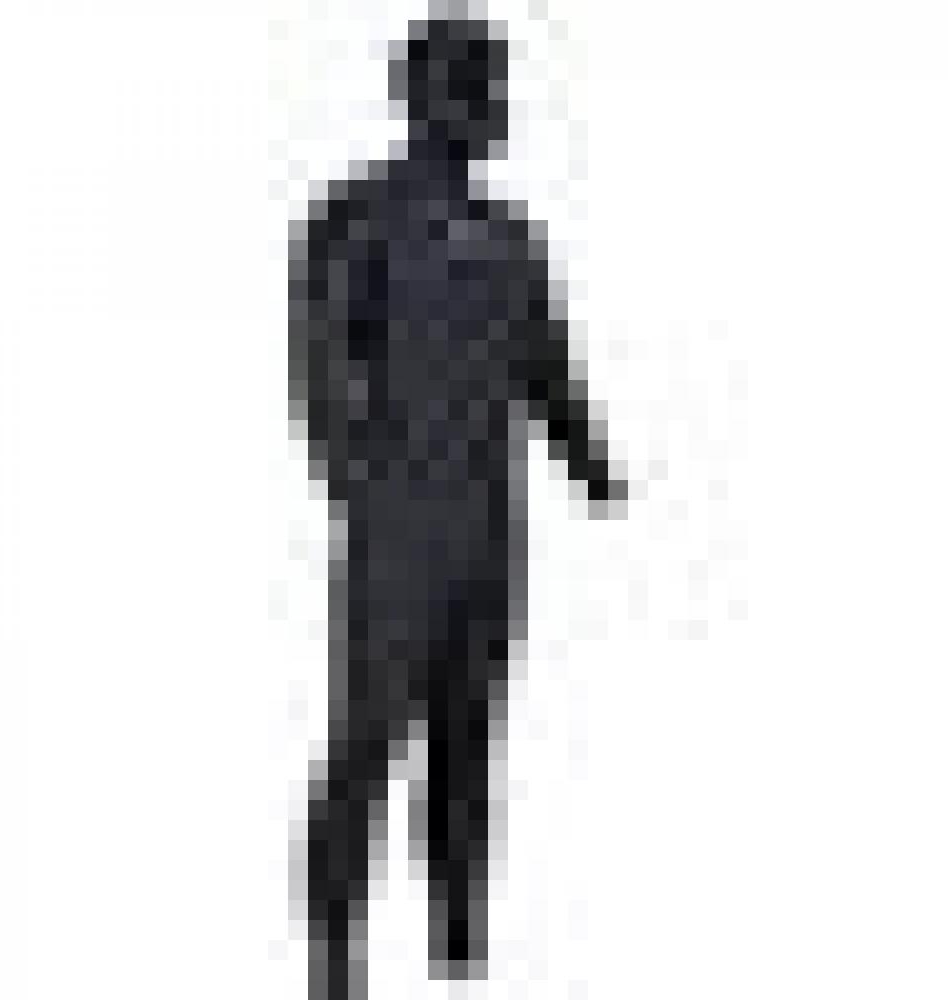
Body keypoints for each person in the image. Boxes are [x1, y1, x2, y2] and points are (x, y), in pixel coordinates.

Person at [288, 13, 623, 999]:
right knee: (367, 735)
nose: (490, 104)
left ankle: (459, 935)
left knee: (470, 734)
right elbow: (319, 362)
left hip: (489, 529)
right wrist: (360, 485)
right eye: (472, 83)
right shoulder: (356, 216)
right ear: (419, 94)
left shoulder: (516, 240)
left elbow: (547, 368)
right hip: (396, 528)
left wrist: (592, 465)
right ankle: (335, 948)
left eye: (495, 84)